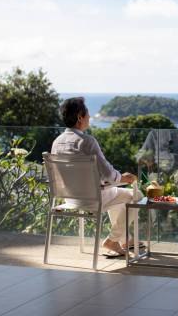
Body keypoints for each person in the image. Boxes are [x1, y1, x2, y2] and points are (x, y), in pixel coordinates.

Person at [51, 97, 142, 256]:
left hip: (70, 199)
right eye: (87, 114)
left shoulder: (56, 143)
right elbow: (108, 174)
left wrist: (113, 180)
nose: (90, 117)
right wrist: (123, 178)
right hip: (93, 199)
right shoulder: (87, 141)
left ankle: (125, 239)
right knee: (136, 196)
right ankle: (113, 240)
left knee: (116, 194)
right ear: (80, 117)